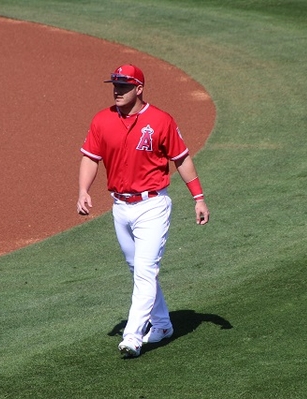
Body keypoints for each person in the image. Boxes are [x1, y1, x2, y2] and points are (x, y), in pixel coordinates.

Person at [77, 64, 210, 358]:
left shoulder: (161, 121)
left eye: (124, 86)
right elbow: (90, 158)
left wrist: (198, 198)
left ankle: (133, 336)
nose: (117, 91)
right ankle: (162, 324)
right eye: (115, 85)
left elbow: (182, 159)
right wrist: (83, 190)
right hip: (120, 207)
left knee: (146, 272)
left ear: (139, 89)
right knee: (138, 270)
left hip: (152, 206)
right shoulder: (102, 120)